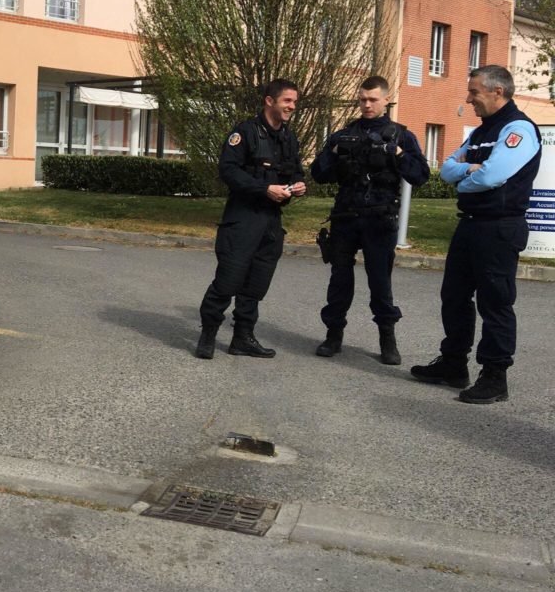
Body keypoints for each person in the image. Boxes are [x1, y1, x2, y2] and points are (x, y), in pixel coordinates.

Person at [411, 65, 541, 404]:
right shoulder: (482, 132)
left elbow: (491, 176)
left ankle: (495, 377)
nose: (469, 100)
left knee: (495, 303)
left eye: (474, 93)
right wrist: (468, 172)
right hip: (470, 223)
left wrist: (465, 181)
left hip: (499, 227)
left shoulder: (518, 129)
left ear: (498, 91)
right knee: (453, 296)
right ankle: (453, 364)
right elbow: (448, 165)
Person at [310, 76, 429, 364]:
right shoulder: (343, 135)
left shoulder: (401, 136)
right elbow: (318, 173)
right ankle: (333, 335)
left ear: (386, 100)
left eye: (373, 99)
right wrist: (336, 152)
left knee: (380, 282)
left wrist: (397, 154)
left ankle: (387, 340)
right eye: (362, 99)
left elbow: (420, 175)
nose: (366, 104)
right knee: (339, 280)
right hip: (345, 217)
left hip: (380, 219)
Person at [195, 79, 306, 360]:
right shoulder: (245, 132)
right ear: (270, 101)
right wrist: (263, 188)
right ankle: (207, 335)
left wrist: (297, 186)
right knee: (228, 280)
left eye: (294, 101)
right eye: (287, 101)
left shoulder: (288, 138)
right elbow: (228, 171)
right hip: (242, 218)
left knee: (256, 285)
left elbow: (295, 172)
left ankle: (242, 338)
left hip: (270, 222)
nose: (292, 106)